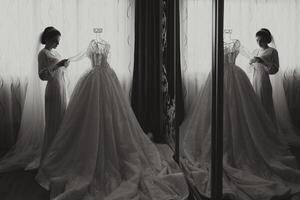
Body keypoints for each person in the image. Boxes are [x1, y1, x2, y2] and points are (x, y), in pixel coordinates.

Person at [36, 39, 188, 200]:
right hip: (95, 79)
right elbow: (80, 57)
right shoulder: (91, 45)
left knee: (113, 113)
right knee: (90, 115)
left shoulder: (105, 45)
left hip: (105, 79)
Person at [180, 34, 300, 200]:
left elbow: (253, 58)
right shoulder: (218, 41)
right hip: (220, 75)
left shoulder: (237, 43)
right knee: (217, 109)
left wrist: (255, 61)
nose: (258, 41)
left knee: (241, 109)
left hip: (235, 76)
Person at [38, 26, 69, 162]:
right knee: (53, 122)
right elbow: (42, 75)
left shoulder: (56, 54)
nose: (58, 44)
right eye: (56, 41)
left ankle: (60, 153)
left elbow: (59, 71)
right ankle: (50, 156)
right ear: (49, 39)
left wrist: (64, 65)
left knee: (62, 120)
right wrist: (57, 66)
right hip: (52, 90)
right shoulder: (43, 54)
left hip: (61, 87)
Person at [249, 28, 279, 123]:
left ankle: (268, 126)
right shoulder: (255, 51)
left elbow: (275, 69)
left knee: (265, 102)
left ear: (267, 39)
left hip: (264, 80)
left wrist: (263, 62)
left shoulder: (272, 51)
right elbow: (250, 69)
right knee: (255, 102)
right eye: (257, 40)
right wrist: (250, 63)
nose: (259, 42)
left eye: (262, 40)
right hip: (254, 79)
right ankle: (258, 126)